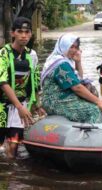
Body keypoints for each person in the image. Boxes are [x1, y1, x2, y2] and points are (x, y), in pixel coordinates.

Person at [0, 17, 45, 158]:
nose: (24, 35)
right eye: (20, 31)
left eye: (27, 32)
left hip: (22, 105)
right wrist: (20, 107)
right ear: (13, 33)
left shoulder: (32, 55)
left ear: (31, 34)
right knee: (2, 146)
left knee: (14, 144)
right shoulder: (3, 54)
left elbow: (35, 81)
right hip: (3, 106)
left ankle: (12, 177)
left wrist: (37, 105)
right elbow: (2, 82)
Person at [41, 33, 102, 123]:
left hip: (64, 99)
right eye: (71, 47)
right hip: (56, 102)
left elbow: (78, 80)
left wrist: (78, 62)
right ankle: (90, 136)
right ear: (63, 46)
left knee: (92, 96)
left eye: (76, 47)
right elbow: (77, 87)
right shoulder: (60, 63)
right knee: (94, 111)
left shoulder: (64, 60)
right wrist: (98, 101)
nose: (74, 50)